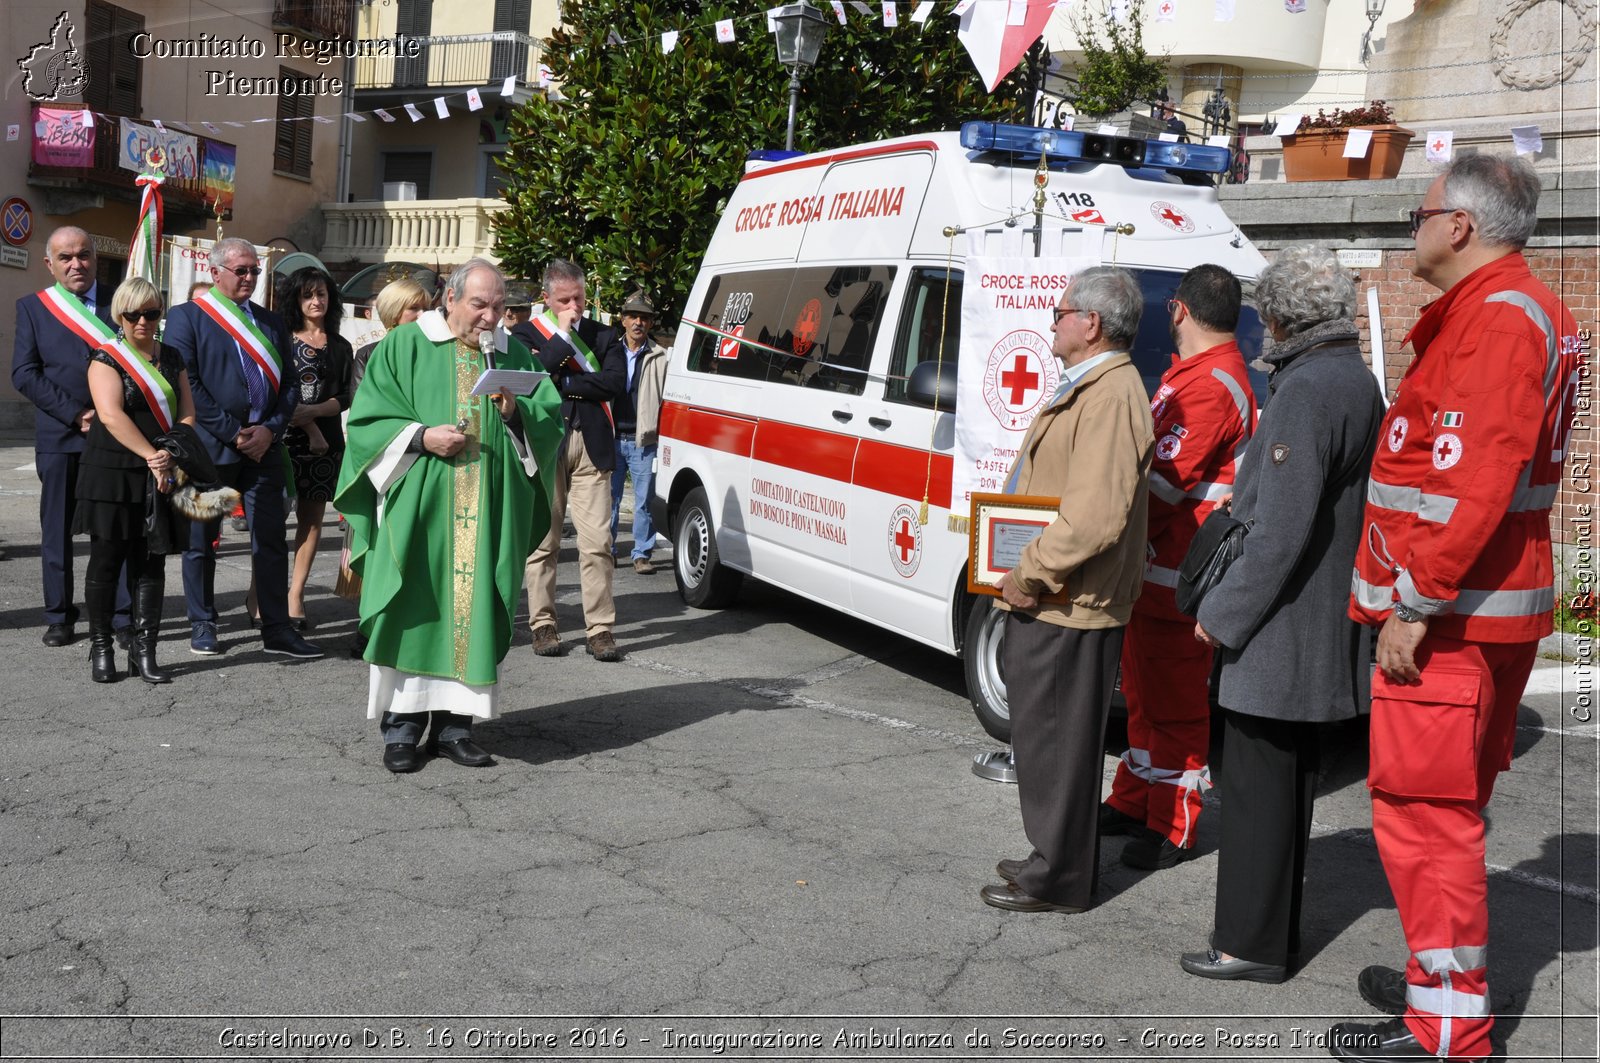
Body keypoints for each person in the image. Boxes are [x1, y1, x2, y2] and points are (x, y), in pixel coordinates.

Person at [1329, 156, 1581, 1063]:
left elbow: (1468, 482)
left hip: (1450, 621)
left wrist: (1416, 600)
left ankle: (1447, 1026)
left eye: (1419, 211)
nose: (1413, 226)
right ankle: (1441, 986)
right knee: (1444, 813)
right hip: (1479, 614)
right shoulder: (1511, 310)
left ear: (1461, 227)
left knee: (1425, 817)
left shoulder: (1500, 320)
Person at [1181, 245, 1384, 984]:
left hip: (1281, 630)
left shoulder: (1306, 388)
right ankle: (1266, 936)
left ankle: (1249, 943)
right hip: (1318, 620)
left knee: (1260, 794)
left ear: (1280, 316)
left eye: (1264, 312)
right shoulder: (1353, 377)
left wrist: (1222, 614)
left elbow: (1280, 530)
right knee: (1283, 794)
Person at [335, 258, 564, 773]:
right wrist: (421, 437)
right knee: (412, 612)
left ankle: (456, 729)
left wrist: (514, 413)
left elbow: (548, 420)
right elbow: (369, 422)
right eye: (480, 305)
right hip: (420, 513)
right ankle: (401, 730)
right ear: (451, 301)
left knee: (472, 608)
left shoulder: (515, 353)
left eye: (499, 307)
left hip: (484, 515)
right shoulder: (405, 345)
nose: (489, 317)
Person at [982, 266, 1154, 915]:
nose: (1052, 321)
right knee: (1048, 741)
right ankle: (1050, 855)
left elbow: (1094, 517)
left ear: (1092, 323)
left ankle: (1059, 875)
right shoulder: (1093, 386)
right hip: (1061, 595)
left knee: (1058, 742)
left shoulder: (1111, 394)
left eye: (1060, 312)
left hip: (1068, 598)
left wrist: (1028, 572)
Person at [1104, 264, 1257, 870]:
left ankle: (1175, 822)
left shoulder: (1210, 384)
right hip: (1158, 571)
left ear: (1178, 310)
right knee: (1145, 697)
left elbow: (1162, 488)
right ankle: (1136, 800)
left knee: (1174, 706)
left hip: (1178, 574)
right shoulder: (1200, 376)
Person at [166, 236, 324, 660]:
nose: (251, 277)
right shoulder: (187, 318)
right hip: (210, 454)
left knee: (269, 540)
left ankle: (276, 629)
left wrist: (270, 430)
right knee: (203, 540)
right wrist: (235, 431)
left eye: (255, 270)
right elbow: (188, 385)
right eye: (242, 270)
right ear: (216, 273)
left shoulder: (270, 323)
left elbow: (290, 384)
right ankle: (203, 624)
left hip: (265, 451)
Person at [11, 226, 131, 646]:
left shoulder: (122, 303)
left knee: (113, 529)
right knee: (57, 531)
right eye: (65, 258)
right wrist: (75, 413)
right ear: (50, 264)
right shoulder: (33, 308)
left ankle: (120, 614)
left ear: (96, 258)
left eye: (83, 255)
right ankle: (59, 615)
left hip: (116, 438)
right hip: (61, 436)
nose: (76, 264)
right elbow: (24, 373)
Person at [75, 277, 198, 684]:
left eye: (151, 312)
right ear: (120, 316)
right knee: (107, 560)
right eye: (133, 314)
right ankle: (102, 647)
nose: (142, 321)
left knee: (152, 562)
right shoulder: (105, 358)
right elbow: (110, 415)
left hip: (161, 470)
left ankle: (145, 652)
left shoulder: (174, 357)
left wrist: (169, 456)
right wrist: (152, 456)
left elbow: (187, 414)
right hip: (113, 472)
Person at [523, 259, 627, 661]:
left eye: (579, 299)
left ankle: (600, 629)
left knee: (598, 544)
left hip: (592, 445)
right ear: (546, 298)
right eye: (564, 300)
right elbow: (532, 374)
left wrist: (565, 383)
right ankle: (543, 624)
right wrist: (562, 338)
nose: (574, 307)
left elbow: (615, 383)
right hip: (548, 444)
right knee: (544, 542)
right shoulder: (526, 333)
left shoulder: (604, 335)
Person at [278, 267, 354, 628]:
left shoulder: (340, 345)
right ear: (296, 299)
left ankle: (296, 595)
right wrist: (308, 425)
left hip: (326, 446)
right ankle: (259, 592)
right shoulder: (280, 339)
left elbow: (346, 395)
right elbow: (276, 393)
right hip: (280, 440)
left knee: (311, 523)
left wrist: (315, 414)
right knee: (272, 522)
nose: (316, 301)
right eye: (308, 294)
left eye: (321, 294)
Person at [610, 291, 670, 574]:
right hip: (611, 436)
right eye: (633, 316)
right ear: (623, 320)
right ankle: (606, 550)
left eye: (644, 318)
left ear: (650, 323)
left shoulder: (660, 357)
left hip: (643, 438)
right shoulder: (610, 351)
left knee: (644, 499)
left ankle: (641, 554)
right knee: (608, 499)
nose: (638, 322)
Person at [351, 278, 431, 396]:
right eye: (414, 308)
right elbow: (360, 404)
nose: (423, 314)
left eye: (426, 308)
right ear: (393, 312)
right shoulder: (368, 354)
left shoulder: (437, 350)